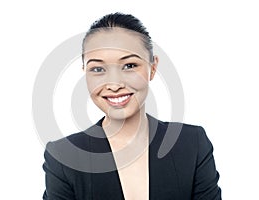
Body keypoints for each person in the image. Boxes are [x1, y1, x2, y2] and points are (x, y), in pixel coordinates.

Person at [42, 13, 221, 200]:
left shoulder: (192, 144)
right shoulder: (63, 157)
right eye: (98, 69)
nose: (114, 84)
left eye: (129, 65)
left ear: (152, 67)